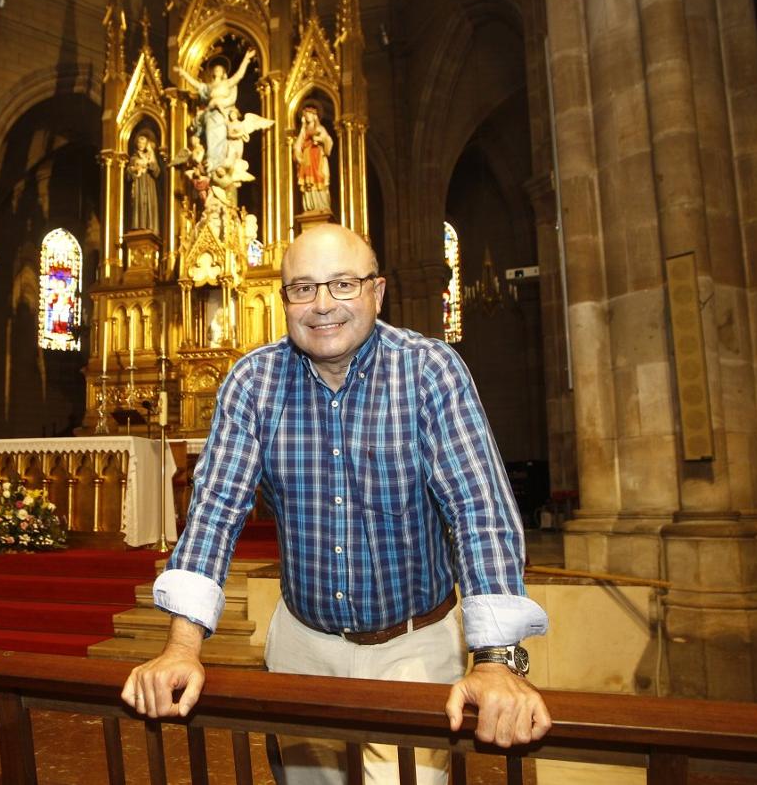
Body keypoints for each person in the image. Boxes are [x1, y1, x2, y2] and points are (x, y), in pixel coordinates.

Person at [122, 223, 550, 784]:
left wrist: (495, 660)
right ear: (284, 301)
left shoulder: (429, 370)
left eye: (343, 284)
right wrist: (182, 645)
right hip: (302, 644)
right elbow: (215, 510)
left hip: (414, 647)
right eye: (304, 288)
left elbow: (480, 511)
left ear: (377, 291)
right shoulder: (253, 382)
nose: (323, 305)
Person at [175, 48, 257, 173]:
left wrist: (246, 58)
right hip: (210, 115)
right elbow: (195, 84)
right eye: (215, 69)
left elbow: (239, 75)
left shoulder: (227, 83)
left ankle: (217, 163)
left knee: (221, 137)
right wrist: (183, 73)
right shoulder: (209, 86)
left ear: (223, 72)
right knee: (210, 138)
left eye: (220, 69)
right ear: (212, 72)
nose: (217, 70)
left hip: (221, 116)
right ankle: (211, 162)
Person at [294, 103, 334, 213]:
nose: (308, 115)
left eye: (310, 113)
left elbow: (328, 141)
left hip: (318, 158)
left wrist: (319, 140)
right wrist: (298, 155)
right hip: (307, 160)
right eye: (306, 113)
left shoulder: (320, 128)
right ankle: (310, 206)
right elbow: (297, 145)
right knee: (308, 184)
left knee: (320, 179)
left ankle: (322, 206)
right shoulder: (303, 130)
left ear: (315, 115)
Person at [126, 131, 160, 231]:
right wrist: (134, 170)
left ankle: (150, 227)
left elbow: (157, 172)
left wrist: (149, 162)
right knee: (138, 204)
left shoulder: (150, 156)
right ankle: (138, 227)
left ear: (146, 144)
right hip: (138, 185)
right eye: (139, 143)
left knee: (149, 204)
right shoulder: (134, 158)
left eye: (143, 143)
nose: (141, 145)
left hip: (149, 185)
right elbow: (128, 175)